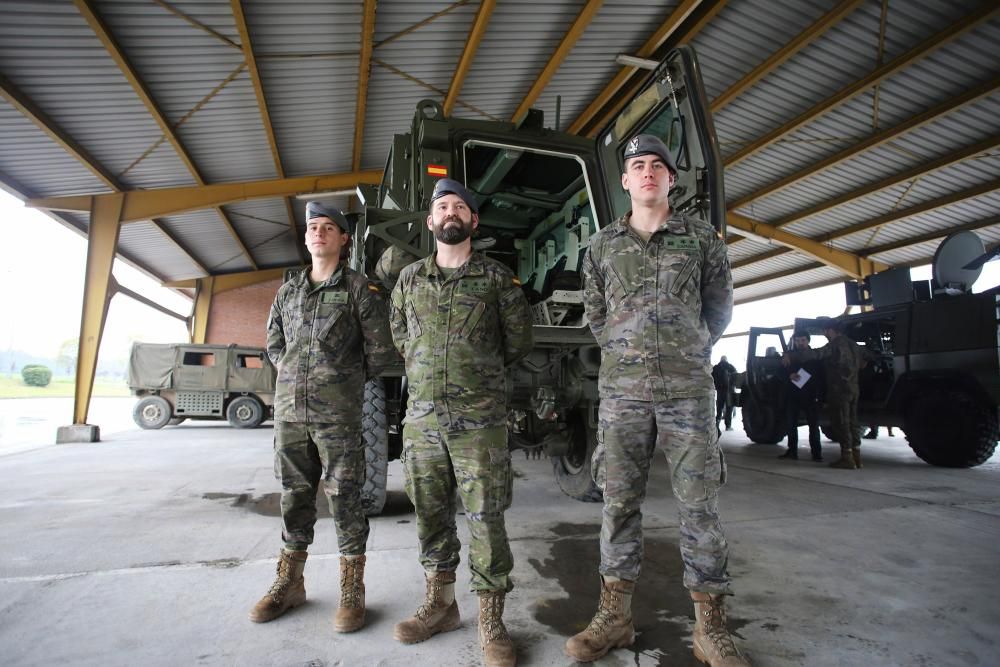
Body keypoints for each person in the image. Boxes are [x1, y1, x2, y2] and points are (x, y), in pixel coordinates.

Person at [567, 134, 749, 666]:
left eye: (658, 166)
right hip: (623, 396)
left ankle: (710, 627)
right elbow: (597, 317)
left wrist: (684, 351)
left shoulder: (702, 240)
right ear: (625, 181)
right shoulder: (601, 246)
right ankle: (614, 617)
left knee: (699, 505)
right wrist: (630, 356)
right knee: (619, 504)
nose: (648, 172)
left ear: (672, 179)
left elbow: (718, 312)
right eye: (637, 165)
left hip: (687, 393)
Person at [389, 178, 533, 667]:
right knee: (431, 514)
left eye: (460, 207)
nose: (451, 213)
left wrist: (474, 376)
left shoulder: (497, 280)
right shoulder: (409, 280)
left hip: (479, 422)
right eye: (442, 206)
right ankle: (441, 604)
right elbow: (400, 337)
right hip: (423, 421)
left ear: (473, 221)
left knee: (486, 518)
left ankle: (491, 618)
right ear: (430, 222)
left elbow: (517, 342)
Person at [251, 202, 397, 630]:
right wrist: (296, 373)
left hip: (338, 416)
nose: (318, 233)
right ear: (306, 237)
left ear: (344, 239)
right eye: (313, 227)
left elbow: (380, 351)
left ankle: (352, 590)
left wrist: (340, 382)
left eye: (328, 227)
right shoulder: (289, 291)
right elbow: (274, 345)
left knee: (345, 499)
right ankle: (289, 583)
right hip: (290, 414)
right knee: (294, 496)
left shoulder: (359, 290)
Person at [783, 317, 863, 469]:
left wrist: (791, 355)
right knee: (853, 422)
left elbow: (816, 354)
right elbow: (867, 357)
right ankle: (856, 456)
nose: (825, 333)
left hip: (840, 390)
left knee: (842, 422)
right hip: (853, 388)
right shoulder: (853, 345)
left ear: (831, 330)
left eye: (826, 331)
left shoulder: (835, 345)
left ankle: (847, 457)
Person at [778, 332, 823, 461]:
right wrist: (789, 376)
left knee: (813, 425)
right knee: (791, 424)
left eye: (803, 340)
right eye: (797, 341)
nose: (800, 343)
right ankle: (792, 451)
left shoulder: (815, 356)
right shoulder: (789, 356)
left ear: (808, 341)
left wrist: (820, 395)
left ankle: (817, 453)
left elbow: (821, 376)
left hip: (810, 395)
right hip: (793, 394)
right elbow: (780, 372)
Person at [711, 356, 737, 432]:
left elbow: (711, 378)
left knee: (719, 408)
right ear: (726, 360)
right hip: (729, 391)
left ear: (720, 360)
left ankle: (716, 424)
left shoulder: (716, 368)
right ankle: (728, 426)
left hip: (720, 391)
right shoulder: (730, 367)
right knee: (729, 409)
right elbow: (736, 377)